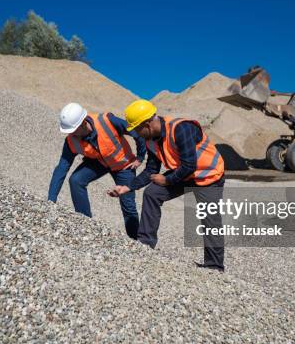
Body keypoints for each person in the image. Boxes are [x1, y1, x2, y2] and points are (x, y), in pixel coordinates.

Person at [108, 99, 226, 271]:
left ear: (147, 124)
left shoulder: (181, 129)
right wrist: (127, 188)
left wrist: (167, 180)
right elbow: (151, 170)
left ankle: (214, 267)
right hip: (184, 173)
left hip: (209, 175)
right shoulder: (150, 139)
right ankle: (145, 245)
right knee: (152, 193)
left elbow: (189, 165)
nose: (137, 135)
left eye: (137, 129)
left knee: (210, 219)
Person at [48, 102, 145, 239]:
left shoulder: (107, 121)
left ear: (83, 123)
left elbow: (135, 132)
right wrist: (50, 201)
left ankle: (137, 242)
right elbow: (61, 169)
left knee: (128, 205)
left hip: (124, 165)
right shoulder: (71, 141)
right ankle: (85, 223)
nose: (70, 134)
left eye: (72, 130)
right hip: (99, 163)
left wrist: (140, 157)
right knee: (76, 180)